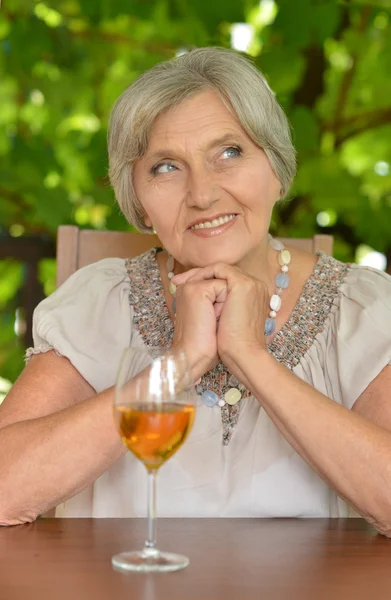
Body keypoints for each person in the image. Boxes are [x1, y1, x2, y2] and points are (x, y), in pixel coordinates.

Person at [1, 47, 391, 533]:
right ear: (140, 203)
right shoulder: (99, 303)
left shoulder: (364, 309)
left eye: (229, 152)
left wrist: (250, 357)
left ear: (276, 169)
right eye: (165, 167)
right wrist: (180, 362)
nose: (202, 194)